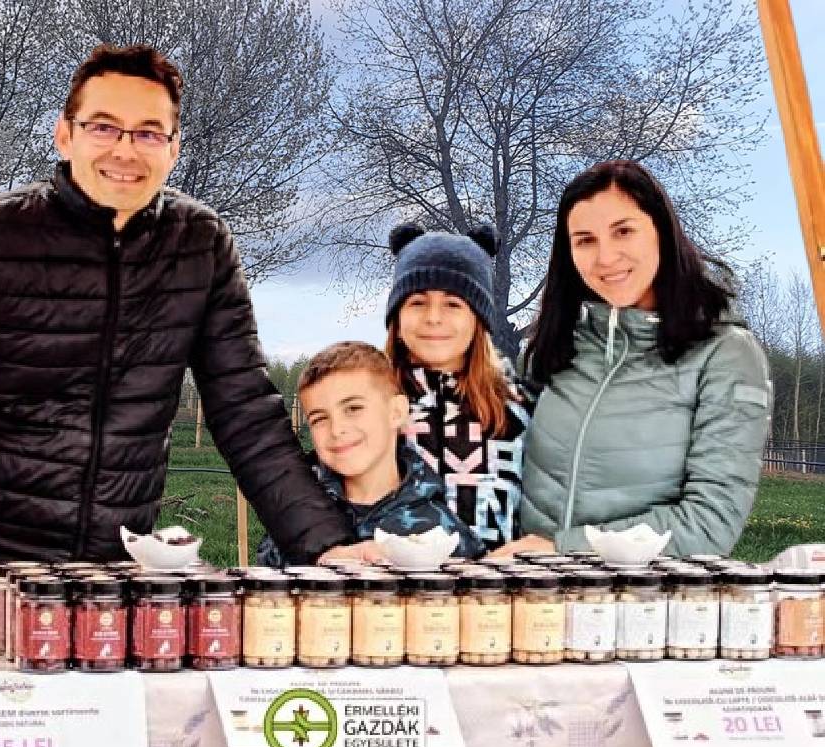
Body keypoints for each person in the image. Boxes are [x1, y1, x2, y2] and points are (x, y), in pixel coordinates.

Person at [0, 44, 363, 597]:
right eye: (103, 127)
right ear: (65, 134)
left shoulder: (200, 244)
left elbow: (244, 409)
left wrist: (324, 544)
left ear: (172, 150)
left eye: (149, 132)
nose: (125, 150)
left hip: (119, 574)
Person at [499, 160, 771, 557]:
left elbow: (711, 523)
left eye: (623, 231)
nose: (605, 257)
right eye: (585, 240)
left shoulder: (726, 354)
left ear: (662, 231)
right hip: (534, 600)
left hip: (644, 603)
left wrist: (561, 549)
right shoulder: (558, 345)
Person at [256, 342, 483, 567]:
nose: (337, 429)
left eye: (353, 408)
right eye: (319, 418)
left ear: (396, 412)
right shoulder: (297, 511)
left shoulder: (444, 534)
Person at [383, 224, 533, 553]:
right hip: (390, 596)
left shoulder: (521, 408)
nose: (434, 317)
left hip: (496, 596)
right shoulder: (372, 404)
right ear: (397, 315)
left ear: (478, 317)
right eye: (418, 302)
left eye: (453, 304)